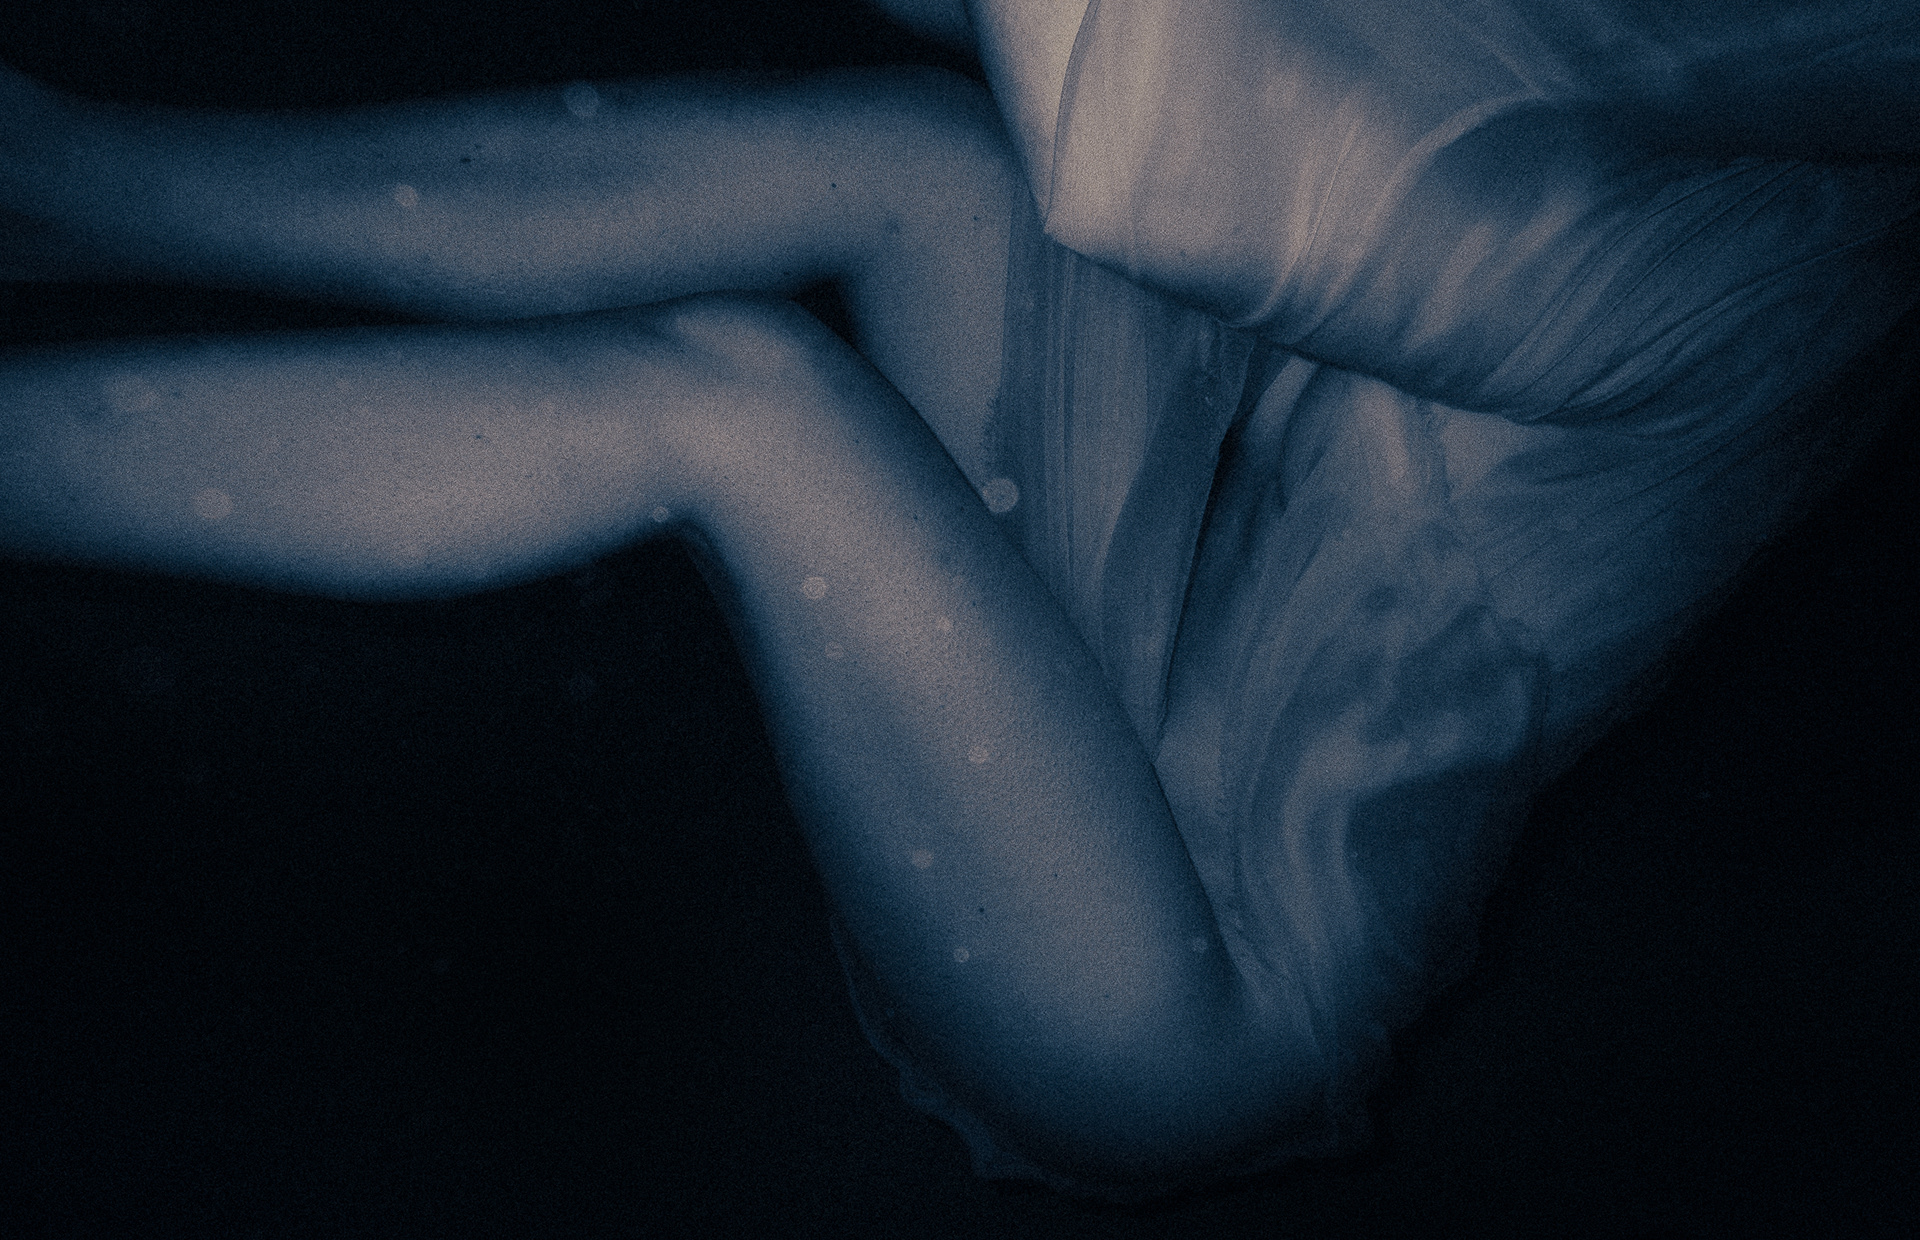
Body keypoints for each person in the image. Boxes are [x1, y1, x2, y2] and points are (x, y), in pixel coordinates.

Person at [2, 0, 1915, 1202]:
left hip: (1174, 991)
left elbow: (1186, 164)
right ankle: (64, 183)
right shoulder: (1760, 139)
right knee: (929, 169)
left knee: (743, 405)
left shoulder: (1783, 271)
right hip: (1152, 659)